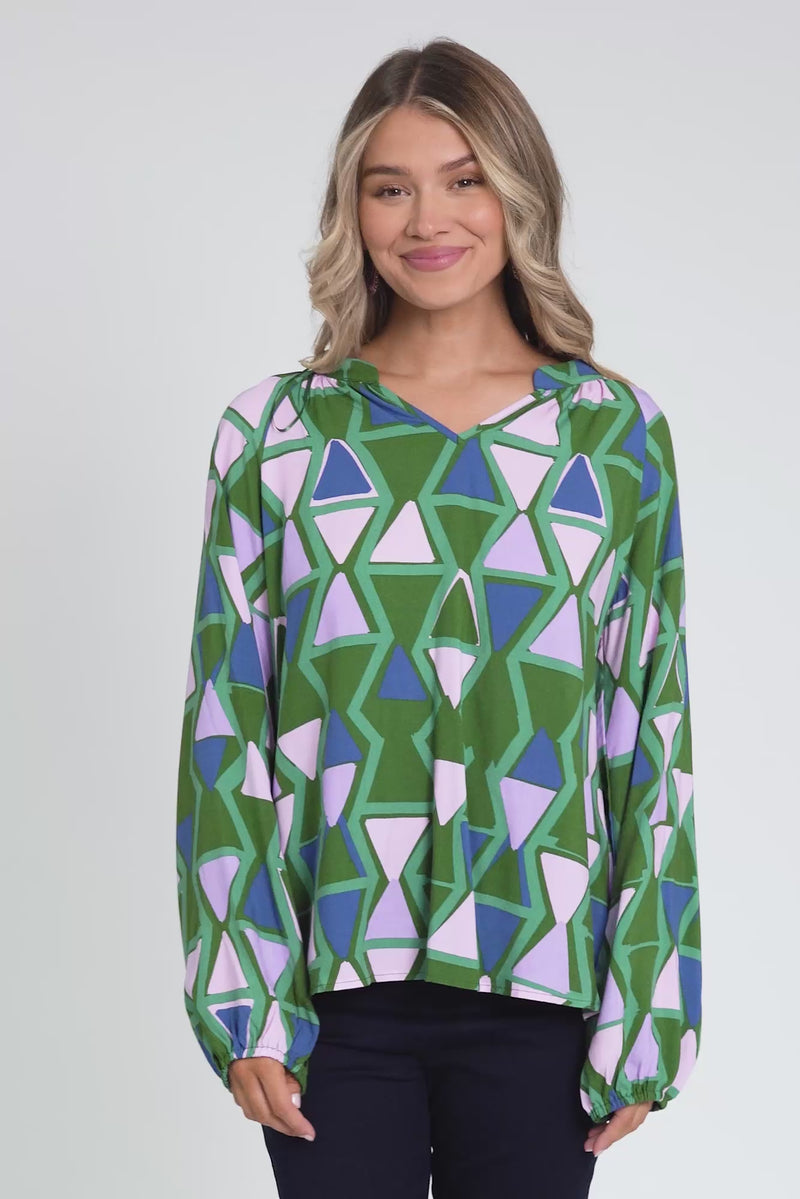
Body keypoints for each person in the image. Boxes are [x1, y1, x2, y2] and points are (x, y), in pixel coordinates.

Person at [175, 36, 702, 1199]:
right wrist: (241, 990)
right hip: (328, 1000)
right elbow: (226, 724)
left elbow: (647, 725)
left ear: (518, 192)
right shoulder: (275, 436)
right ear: (351, 211)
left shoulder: (611, 436)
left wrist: (651, 1000)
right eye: (389, 187)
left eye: (463, 179)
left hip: (541, 987)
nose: (427, 219)